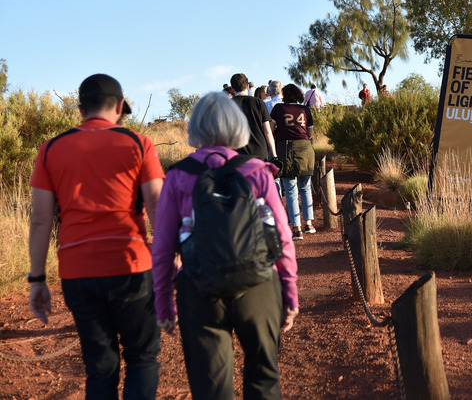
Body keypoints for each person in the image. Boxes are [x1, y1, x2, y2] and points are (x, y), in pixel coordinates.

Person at [152, 91, 298, 400]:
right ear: (238, 126)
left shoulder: (177, 176)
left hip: (200, 288)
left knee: (211, 388)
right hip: (258, 284)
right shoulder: (258, 171)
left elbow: (163, 248)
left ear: (196, 128)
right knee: (264, 377)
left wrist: (164, 302)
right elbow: (282, 236)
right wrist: (289, 292)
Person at [28, 73, 164, 399]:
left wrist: (38, 279)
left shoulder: (51, 148)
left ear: (80, 109)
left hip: (78, 272)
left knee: (100, 367)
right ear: (119, 106)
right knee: (142, 357)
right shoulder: (139, 143)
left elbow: (40, 220)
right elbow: (158, 206)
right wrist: (168, 260)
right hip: (131, 266)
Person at [271, 83, 316, 241]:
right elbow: (310, 132)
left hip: (285, 149)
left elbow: (271, 129)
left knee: (290, 190)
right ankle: (308, 224)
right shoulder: (305, 109)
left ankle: (297, 229)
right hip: (305, 148)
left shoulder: (278, 109)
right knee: (305, 187)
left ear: (284, 95)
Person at [230, 73, 276, 161]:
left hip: (236, 154)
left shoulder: (227, 105)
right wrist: (274, 155)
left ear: (232, 89)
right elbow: (267, 131)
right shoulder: (259, 103)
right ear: (247, 86)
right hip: (259, 152)